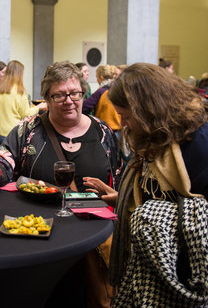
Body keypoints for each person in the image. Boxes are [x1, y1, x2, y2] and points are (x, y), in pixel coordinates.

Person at [0, 61, 122, 308]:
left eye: (75, 93)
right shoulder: (28, 131)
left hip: (92, 242)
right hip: (39, 241)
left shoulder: (103, 133)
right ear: (46, 98)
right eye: (60, 95)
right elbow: (4, 162)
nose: (69, 100)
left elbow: (119, 178)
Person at [83, 63, 208, 301]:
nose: (123, 123)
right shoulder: (156, 138)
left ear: (148, 110)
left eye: (126, 116)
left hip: (184, 281)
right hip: (153, 273)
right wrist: (123, 198)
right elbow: (156, 196)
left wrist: (151, 215)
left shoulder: (199, 145)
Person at [0, 60, 47, 150]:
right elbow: (25, 113)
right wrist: (39, 107)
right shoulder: (19, 90)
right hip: (10, 132)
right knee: (12, 162)